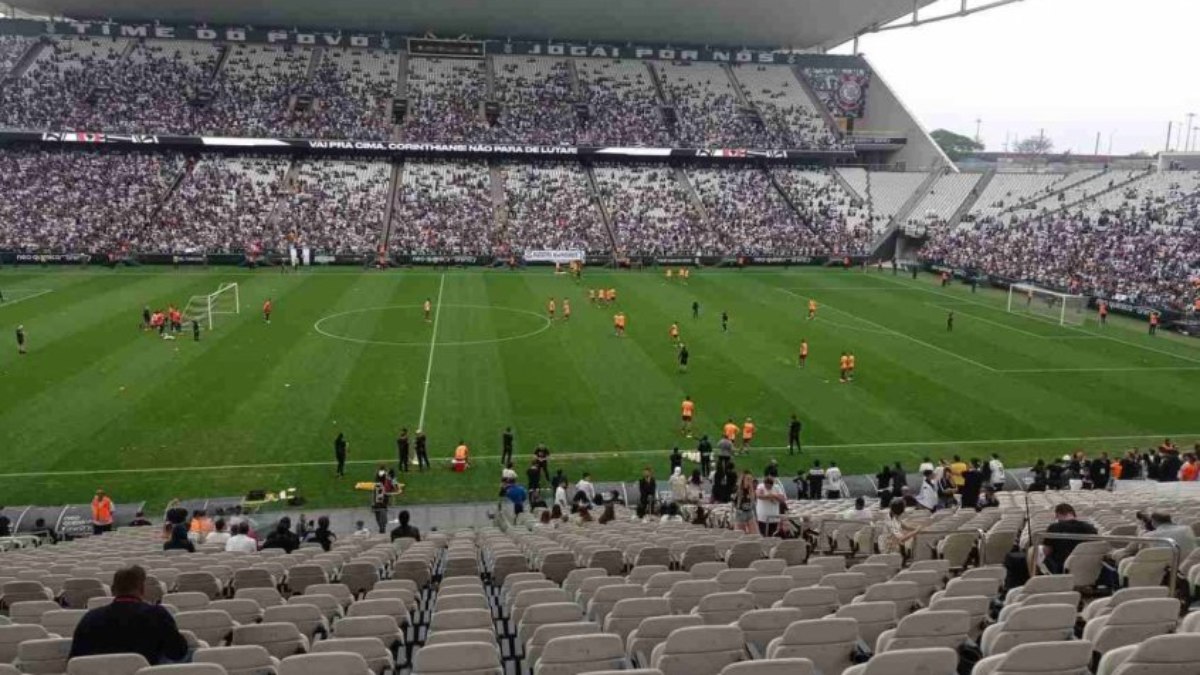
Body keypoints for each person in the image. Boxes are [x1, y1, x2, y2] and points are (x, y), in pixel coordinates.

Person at [69, 565, 188, 664]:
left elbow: (74, 660)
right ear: (142, 589)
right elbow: (177, 652)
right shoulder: (157, 614)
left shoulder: (90, 618)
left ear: (113, 590)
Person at [1041, 503, 1098, 574]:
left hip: (1061, 569)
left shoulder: (1053, 528)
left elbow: (1047, 551)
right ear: (1073, 514)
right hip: (1087, 569)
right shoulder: (1091, 528)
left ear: (1058, 514)